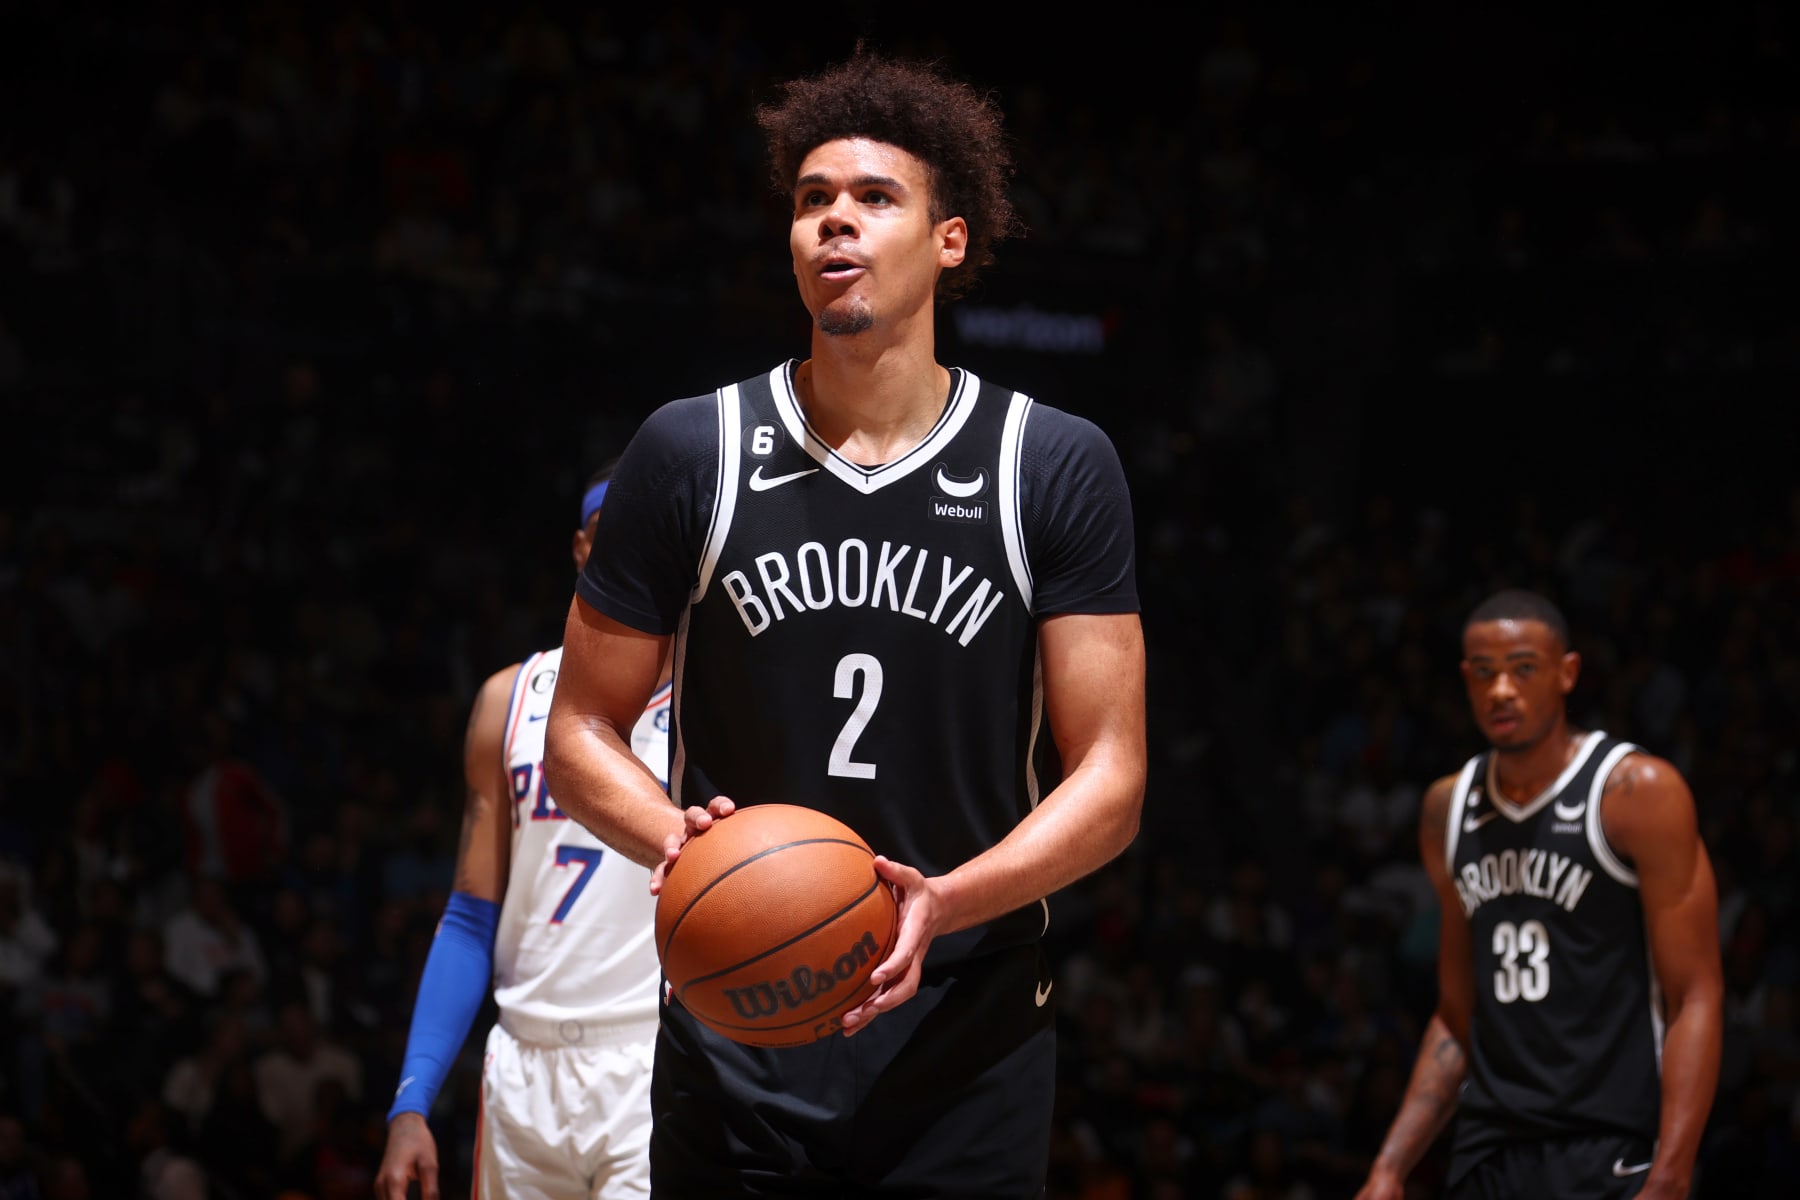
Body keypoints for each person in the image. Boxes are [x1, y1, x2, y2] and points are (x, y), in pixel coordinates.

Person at [543, 46, 1146, 1200]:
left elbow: (1111, 777)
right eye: (813, 198)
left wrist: (947, 898)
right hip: (738, 1017)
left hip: (965, 1018)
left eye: (875, 197)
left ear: (950, 239)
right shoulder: (692, 449)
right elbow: (579, 730)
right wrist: (679, 840)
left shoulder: (1051, 463)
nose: (835, 220)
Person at [1355, 589, 1722, 1199]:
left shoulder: (1635, 793)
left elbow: (1696, 996)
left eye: (1523, 668)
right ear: (1466, 681)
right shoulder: (1447, 810)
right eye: (1484, 672)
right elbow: (1456, 1016)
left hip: (1609, 1142)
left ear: (1567, 673)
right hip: (1488, 1150)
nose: (1501, 689)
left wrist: (1672, 1174)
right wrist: (1390, 1166)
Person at [376, 465, 674, 1200]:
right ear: (581, 549)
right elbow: (469, 916)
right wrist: (412, 1101)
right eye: (610, 534)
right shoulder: (506, 700)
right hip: (521, 1065)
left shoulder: (714, 703)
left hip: (654, 1055)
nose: (627, 549)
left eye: (646, 535)